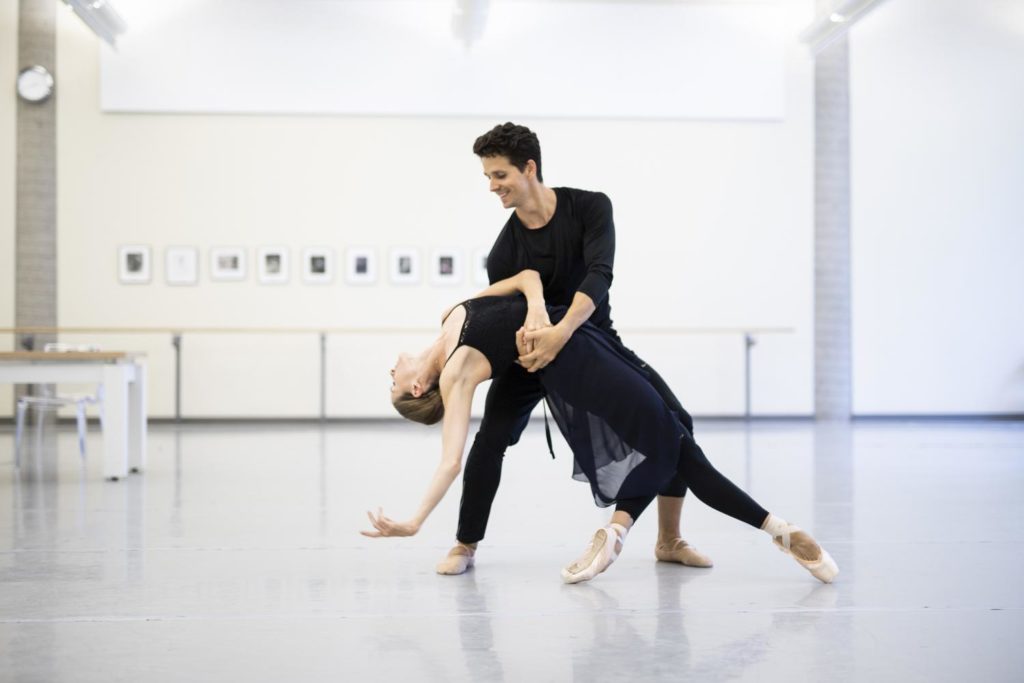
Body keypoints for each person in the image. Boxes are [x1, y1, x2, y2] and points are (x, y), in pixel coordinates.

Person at [362, 270, 839, 586]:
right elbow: (451, 459)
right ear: (422, 388)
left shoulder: (449, 316)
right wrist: (415, 521)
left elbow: (527, 278)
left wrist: (534, 308)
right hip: (575, 367)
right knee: (676, 446)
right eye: (395, 386)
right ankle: (779, 531)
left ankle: (625, 531)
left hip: (584, 336)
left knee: (674, 445)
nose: (392, 373)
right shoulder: (455, 372)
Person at [434, 122, 710, 576]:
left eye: (499, 175)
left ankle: (669, 539)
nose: (492, 186)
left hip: (592, 344)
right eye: (487, 176)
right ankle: (465, 545)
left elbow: (599, 275)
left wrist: (562, 330)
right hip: (529, 358)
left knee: (675, 421)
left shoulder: (590, 207)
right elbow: (502, 314)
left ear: (529, 168)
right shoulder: (505, 252)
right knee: (491, 440)